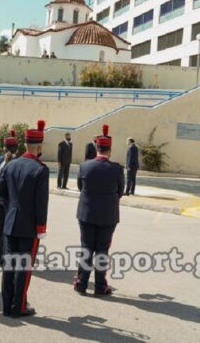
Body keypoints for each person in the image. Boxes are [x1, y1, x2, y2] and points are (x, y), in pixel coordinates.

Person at [0, 119, 49, 318]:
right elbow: (41, 203)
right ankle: (18, 306)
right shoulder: (40, 170)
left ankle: (6, 305)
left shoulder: (10, 165)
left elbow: (0, 196)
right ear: (40, 146)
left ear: (25, 144)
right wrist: (41, 228)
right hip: (29, 226)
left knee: (9, 266)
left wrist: (6, 216)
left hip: (10, 223)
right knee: (23, 268)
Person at [74, 124, 124, 296]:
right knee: (102, 250)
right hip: (107, 216)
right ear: (109, 150)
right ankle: (100, 286)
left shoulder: (84, 166)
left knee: (86, 248)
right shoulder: (117, 169)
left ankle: (81, 283)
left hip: (86, 214)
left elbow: (81, 187)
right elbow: (120, 192)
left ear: (96, 148)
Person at [0, 130, 19, 262]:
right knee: (7, 229)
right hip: (11, 200)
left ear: (4, 147)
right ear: (16, 148)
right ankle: (4, 256)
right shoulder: (18, 163)